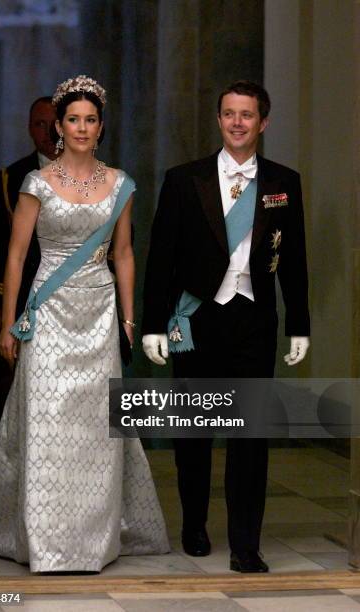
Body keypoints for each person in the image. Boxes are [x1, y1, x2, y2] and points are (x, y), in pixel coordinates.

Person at [0, 75, 169, 572]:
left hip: (99, 311)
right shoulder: (36, 183)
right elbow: (16, 257)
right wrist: (9, 323)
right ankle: (43, 537)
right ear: (59, 127)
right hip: (48, 312)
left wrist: (128, 317)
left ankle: (92, 539)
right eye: (73, 120)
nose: (82, 128)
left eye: (90, 120)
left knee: (96, 427)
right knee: (44, 421)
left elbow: (124, 254)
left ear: (100, 127)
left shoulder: (120, 183)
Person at [142, 81, 310, 573]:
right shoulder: (182, 180)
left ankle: (245, 544)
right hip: (197, 319)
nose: (238, 122)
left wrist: (299, 325)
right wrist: (154, 324)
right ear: (219, 120)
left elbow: (295, 259)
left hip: (254, 322)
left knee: (250, 437)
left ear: (264, 122)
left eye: (248, 115)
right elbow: (161, 260)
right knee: (194, 435)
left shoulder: (284, 181)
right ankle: (194, 525)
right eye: (230, 114)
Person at [0, 96, 58, 335]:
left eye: (54, 124)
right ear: (29, 129)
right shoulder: (12, 178)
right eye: (40, 124)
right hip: (26, 293)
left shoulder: (93, 174)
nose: (48, 132)